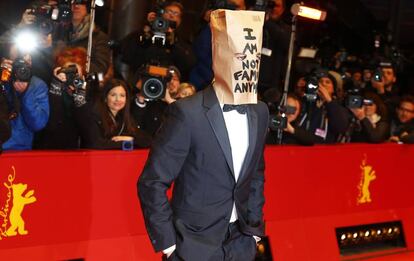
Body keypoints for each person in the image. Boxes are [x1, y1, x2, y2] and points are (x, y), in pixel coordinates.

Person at [138, 10, 267, 261]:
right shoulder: (187, 113)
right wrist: (169, 244)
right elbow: (152, 181)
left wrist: (253, 230)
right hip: (191, 245)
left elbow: (256, 174)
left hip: (241, 244)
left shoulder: (260, 112)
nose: (246, 63)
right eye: (239, 56)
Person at [120, 1, 195, 83]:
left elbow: (188, 65)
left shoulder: (181, 42)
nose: (171, 15)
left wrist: (172, 40)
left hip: (168, 84)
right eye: (168, 11)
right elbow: (126, 54)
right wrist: (144, 29)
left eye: (176, 13)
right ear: (161, 14)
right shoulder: (146, 34)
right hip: (141, 81)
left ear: (179, 21)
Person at [75, 78, 151, 149]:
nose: (118, 99)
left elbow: (147, 140)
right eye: (113, 95)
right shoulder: (93, 114)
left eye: (122, 95)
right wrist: (125, 142)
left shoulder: (124, 117)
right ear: (105, 98)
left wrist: (131, 139)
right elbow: (96, 144)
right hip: (93, 159)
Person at [1, 48, 49, 150]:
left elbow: (38, 124)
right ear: (7, 61)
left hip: (19, 149)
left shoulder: (37, 85)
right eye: (17, 61)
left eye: (27, 61)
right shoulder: (3, 78)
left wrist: (26, 93)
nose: (22, 66)